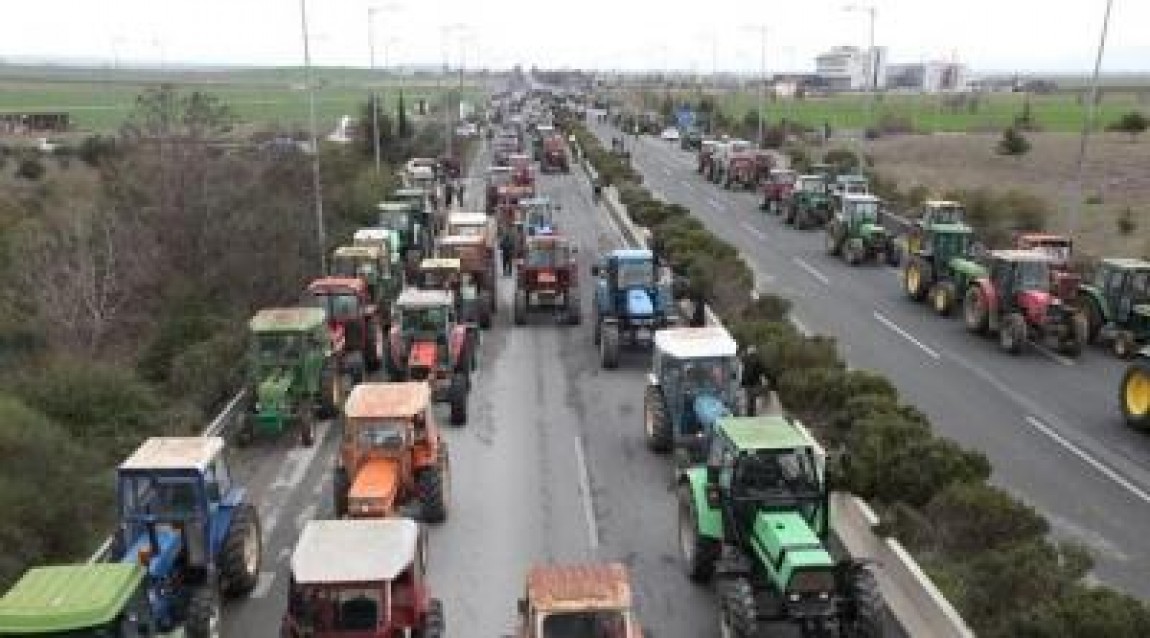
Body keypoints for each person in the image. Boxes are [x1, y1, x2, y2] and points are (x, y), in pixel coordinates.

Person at [739, 345, 766, 416]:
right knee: (752, 399)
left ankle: (749, 414)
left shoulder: (744, 359)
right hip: (755, 382)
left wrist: (741, 382)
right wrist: (763, 380)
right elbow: (761, 371)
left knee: (749, 399)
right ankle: (752, 413)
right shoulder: (758, 360)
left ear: (749, 351)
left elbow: (742, 370)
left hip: (747, 382)